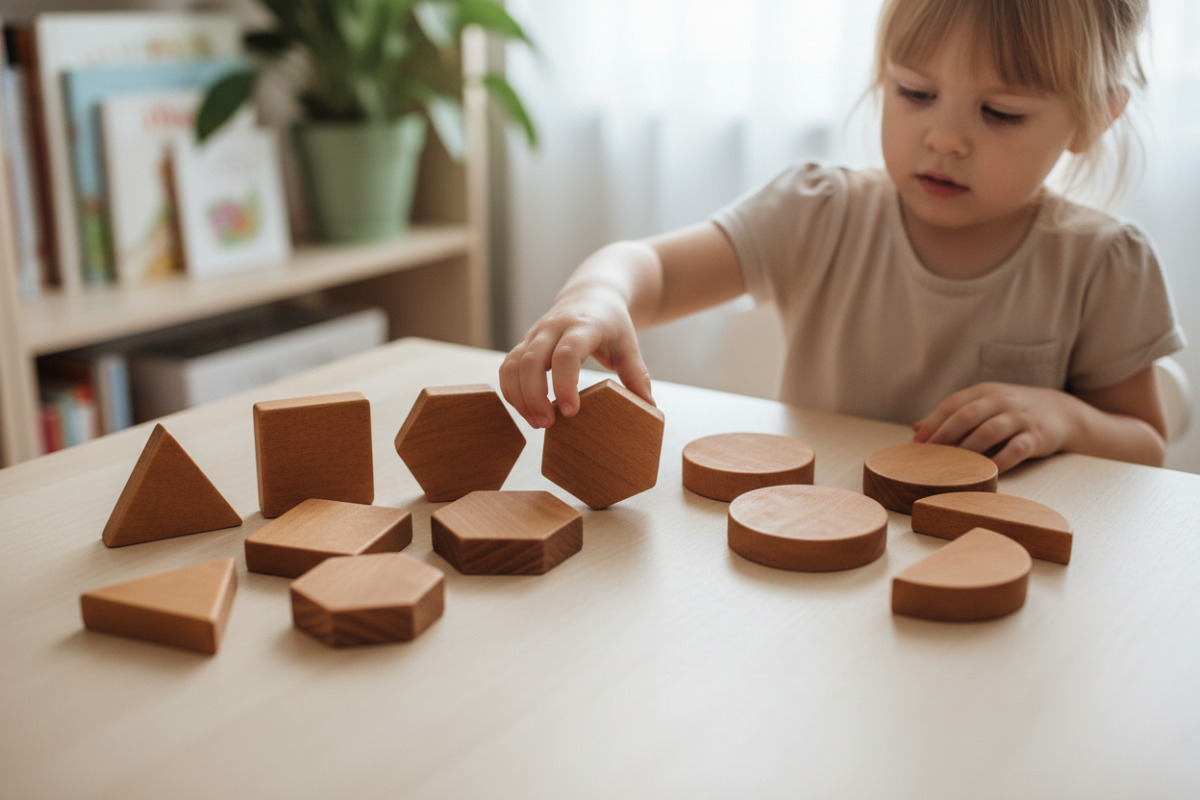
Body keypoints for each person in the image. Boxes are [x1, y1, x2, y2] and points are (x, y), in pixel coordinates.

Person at [499, 0, 1185, 473]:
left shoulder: (1103, 262)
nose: (944, 137)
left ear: (1095, 116)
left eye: (1000, 113)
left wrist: (1064, 418)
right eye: (915, 93)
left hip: (995, 567)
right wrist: (593, 299)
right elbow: (654, 268)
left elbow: (1146, 443)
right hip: (813, 536)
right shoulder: (819, 212)